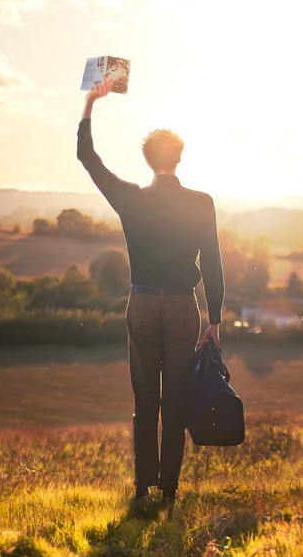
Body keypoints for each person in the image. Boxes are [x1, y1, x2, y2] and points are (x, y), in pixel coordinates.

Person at [77, 75, 223, 505]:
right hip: (183, 309)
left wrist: (91, 103)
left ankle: (142, 487)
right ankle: (169, 490)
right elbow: (212, 262)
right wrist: (214, 319)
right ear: (179, 158)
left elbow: (87, 156)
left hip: (142, 305)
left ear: (147, 160)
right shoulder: (202, 202)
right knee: (175, 401)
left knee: (146, 401)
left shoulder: (130, 198)